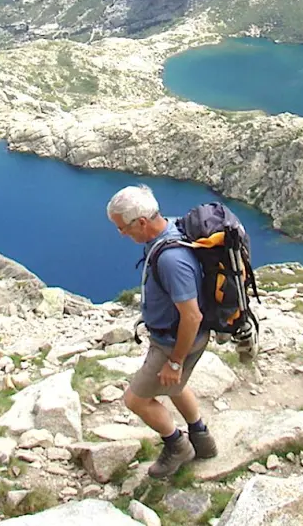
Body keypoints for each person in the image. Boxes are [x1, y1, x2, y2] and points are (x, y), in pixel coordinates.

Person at [106, 185, 218, 478]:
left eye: (122, 228)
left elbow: (191, 316)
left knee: (136, 400)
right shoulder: (171, 230)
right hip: (180, 337)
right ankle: (202, 439)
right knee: (176, 386)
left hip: (174, 341)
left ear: (142, 222)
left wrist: (175, 361)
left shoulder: (171, 259)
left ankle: (177, 446)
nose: (121, 234)